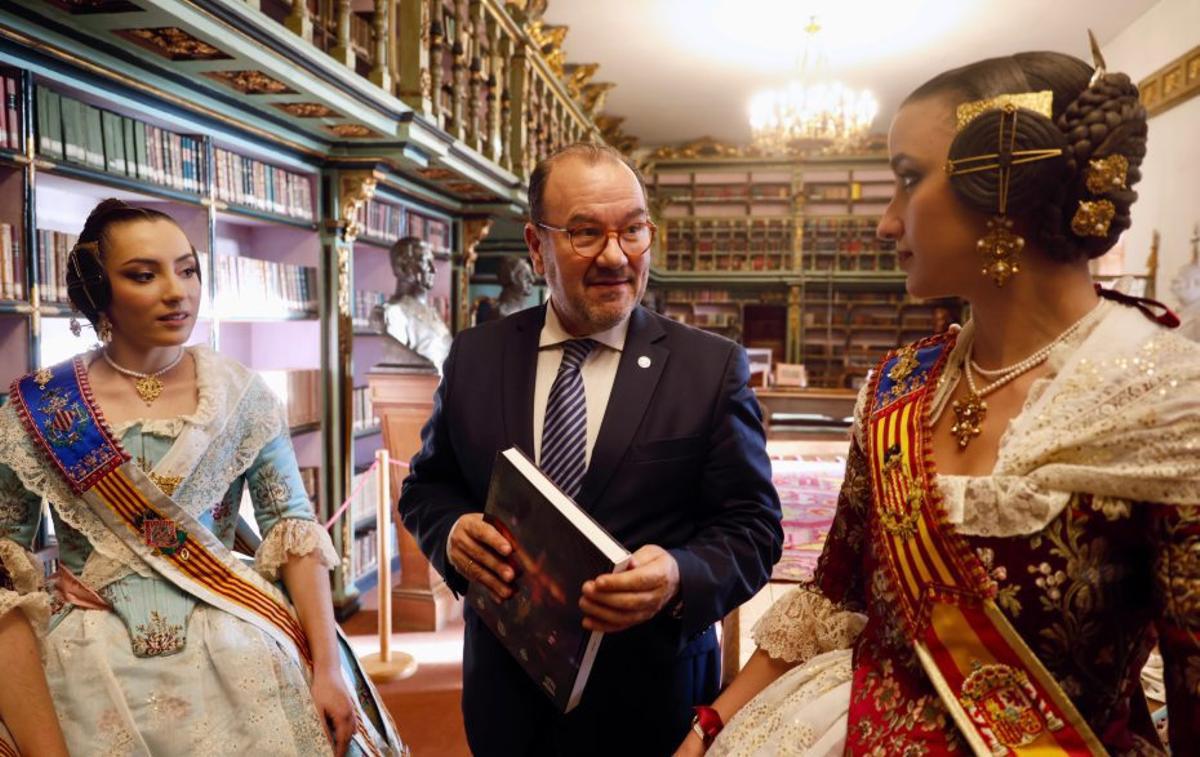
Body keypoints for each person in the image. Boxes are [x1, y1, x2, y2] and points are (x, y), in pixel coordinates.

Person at [677, 46, 1200, 756]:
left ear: (1002, 186)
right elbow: (835, 596)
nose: (886, 221)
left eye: (907, 180)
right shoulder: (899, 383)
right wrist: (709, 725)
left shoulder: (1167, 401)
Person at [398, 142, 783, 755]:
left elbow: (754, 529)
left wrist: (679, 575)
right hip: (505, 696)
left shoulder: (709, 369)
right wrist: (450, 532)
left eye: (633, 230)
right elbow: (427, 487)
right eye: (584, 233)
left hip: (651, 700)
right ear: (535, 244)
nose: (615, 255)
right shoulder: (475, 357)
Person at [0, 199, 405, 756]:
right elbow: (3, 573)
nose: (177, 291)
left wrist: (329, 668)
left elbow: (294, 532)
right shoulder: (37, 411)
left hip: (235, 637)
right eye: (144, 275)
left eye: (187, 269)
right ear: (99, 292)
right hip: (92, 660)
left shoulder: (242, 395)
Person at [376, 236, 452, 374]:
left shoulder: (431, 312)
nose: (433, 269)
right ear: (403, 267)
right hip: (422, 392)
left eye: (432, 262)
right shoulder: (394, 312)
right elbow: (396, 363)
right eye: (425, 261)